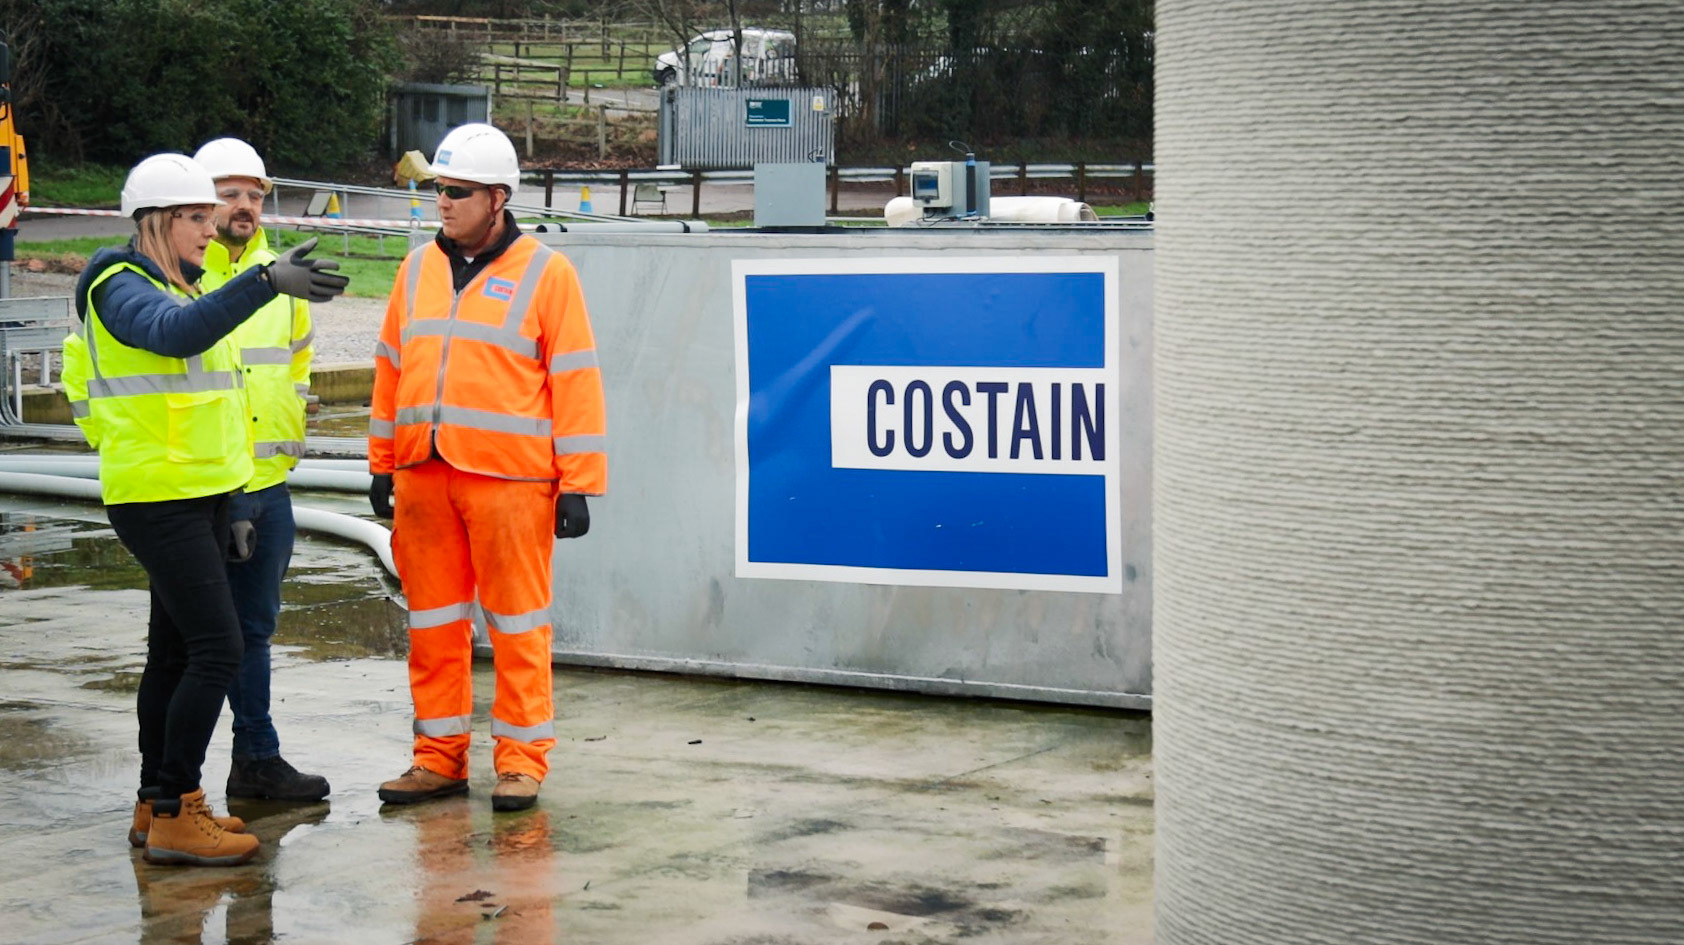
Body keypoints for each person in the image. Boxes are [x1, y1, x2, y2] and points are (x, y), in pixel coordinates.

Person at [60, 153, 346, 866]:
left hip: (200, 494)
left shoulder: (170, 282)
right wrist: (263, 280)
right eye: (197, 216)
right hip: (159, 496)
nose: (211, 228)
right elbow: (172, 336)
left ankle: (154, 805)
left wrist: (238, 499)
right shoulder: (116, 283)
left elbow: (213, 398)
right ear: (159, 219)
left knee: (175, 653)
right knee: (219, 648)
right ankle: (180, 808)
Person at [368, 122, 606, 813]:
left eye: (457, 192)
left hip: (512, 482)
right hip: (423, 477)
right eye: (438, 190)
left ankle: (521, 762)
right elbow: (390, 368)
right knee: (432, 627)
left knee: (516, 626)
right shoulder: (416, 270)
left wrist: (580, 481)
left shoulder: (545, 274)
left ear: (498, 198)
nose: (441, 203)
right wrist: (383, 463)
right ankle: (436, 759)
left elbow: (578, 380)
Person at [192, 137, 330, 803]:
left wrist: (286, 446)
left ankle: (256, 757)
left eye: (255, 194)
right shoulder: (183, 275)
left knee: (254, 630)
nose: (245, 206)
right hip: (214, 486)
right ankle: (171, 785)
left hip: (270, 484)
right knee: (202, 641)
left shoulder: (284, 275)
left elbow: (295, 367)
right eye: (229, 193)